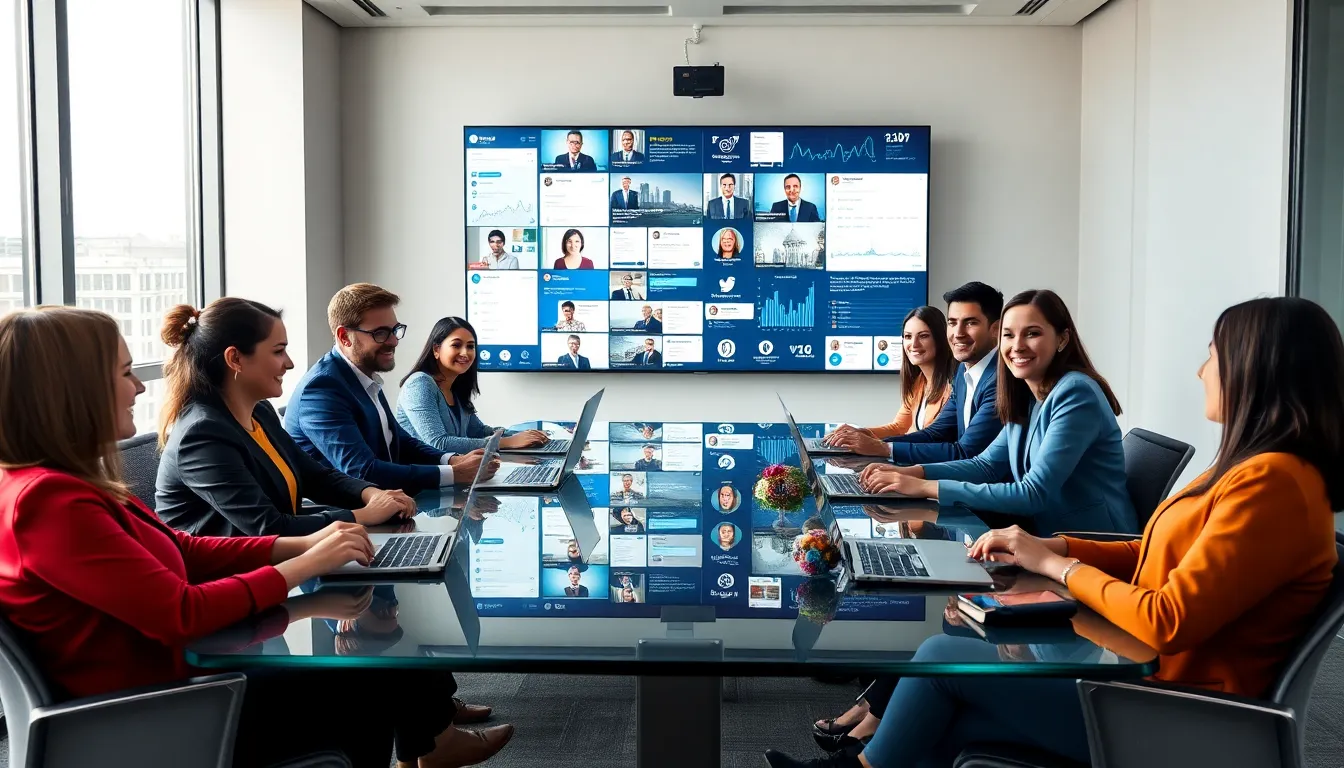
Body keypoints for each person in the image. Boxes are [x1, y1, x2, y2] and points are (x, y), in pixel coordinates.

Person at [766, 295, 1344, 768]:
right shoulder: (1253, 469)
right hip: (1150, 682)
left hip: (1170, 713)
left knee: (942, 665)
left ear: (1255, 366)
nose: (1200, 370)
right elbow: (1150, 550)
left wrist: (1057, 567)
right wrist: (1053, 547)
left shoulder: (1273, 484)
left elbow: (1168, 619)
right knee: (942, 688)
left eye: (1212, 355)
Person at [0, 307, 513, 768]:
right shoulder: (50, 503)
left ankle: (432, 744)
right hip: (165, 707)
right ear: (68, 391)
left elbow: (184, 550)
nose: (137, 386)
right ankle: (432, 745)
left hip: (176, 682)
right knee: (370, 681)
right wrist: (302, 566)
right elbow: (180, 613)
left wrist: (310, 544)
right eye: (123, 372)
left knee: (373, 666)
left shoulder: (66, 486)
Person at [859, 290, 1137, 537]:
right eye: (1009, 334)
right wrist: (910, 473)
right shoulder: (1027, 393)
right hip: (1042, 535)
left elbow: (1033, 493)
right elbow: (987, 465)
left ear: (1062, 339)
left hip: (1095, 545)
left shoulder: (1076, 393)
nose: (1017, 346)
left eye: (1032, 333)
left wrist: (923, 487)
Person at [155, 298, 415, 537]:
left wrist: (372, 494)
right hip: (222, 579)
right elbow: (268, 526)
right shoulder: (202, 434)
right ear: (235, 358)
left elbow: (315, 476)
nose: (289, 363)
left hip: (276, 563)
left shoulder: (260, 412)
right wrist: (364, 515)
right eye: (278, 351)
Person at [285, 283, 494, 496]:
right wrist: (453, 473)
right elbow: (362, 471)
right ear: (344, 337)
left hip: (389, 502)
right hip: (347, 519)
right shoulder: (322, 388)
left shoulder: (364, 376)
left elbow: (398, 440)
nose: (394, 341)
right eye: (381, 333)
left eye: (395, 330)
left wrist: (451, 459)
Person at [828, 282, 1006, 464]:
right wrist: (868, 443)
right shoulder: (964, 371)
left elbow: (965, 452)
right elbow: (935, 433)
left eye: (970, 323)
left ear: (996, 329)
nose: (958, 333)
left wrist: (881, 448)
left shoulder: (1001, 381)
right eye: (952, 323)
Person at [396, 317, 548, 453]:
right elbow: (438, 443)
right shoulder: (419, 384)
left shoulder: (455, 387)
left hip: (456, 473)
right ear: (436, 349)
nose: (465, 353)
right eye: (456, 345)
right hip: (426, 480)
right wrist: (507, 442)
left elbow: (479, 431)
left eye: (470, 346)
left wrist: (520, 435)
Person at [825, 306, 955, 446]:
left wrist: (874, 444)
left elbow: (933, 440)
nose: (914, 344)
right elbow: (899, 427)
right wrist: (859, 433)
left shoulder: (953, 386)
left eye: (923, 336)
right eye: (908, 336)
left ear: (941, 339)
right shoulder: (919, 382)